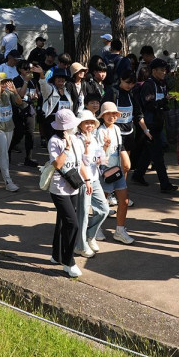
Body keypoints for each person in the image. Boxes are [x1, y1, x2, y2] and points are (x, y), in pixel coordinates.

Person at [47, 109, 87, 278]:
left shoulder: (77, 139)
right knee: (73, 224)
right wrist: (67, 149)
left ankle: (57, 255)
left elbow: (80, 163)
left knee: (63, 222)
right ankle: (69, 262)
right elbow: (57, 164)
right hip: (59, 188)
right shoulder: (54, 141)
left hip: (74, 185)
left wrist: (87, 180)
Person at [132, 58, 177, 193]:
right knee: (158, 155)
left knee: (149, 151)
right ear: (154, 71)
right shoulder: (149, 85)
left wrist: (165, 100)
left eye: (165, 70)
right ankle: (165, 184)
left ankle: (138, 175)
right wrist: (164, 101)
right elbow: (148, 104)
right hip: (150, 124)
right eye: (162, 70)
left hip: (157, 122)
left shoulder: (161, 84)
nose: (164, 72)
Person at [98, 102, 135, 244]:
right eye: (108, 114)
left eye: (114, 114)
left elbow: (120, 148)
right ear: (103, 116)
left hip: (117, 171)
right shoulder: (99, 131)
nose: (111, 116)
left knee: (124, 201)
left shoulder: (117, 130)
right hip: (105, 172)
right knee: (102, 203)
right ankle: (97, 228)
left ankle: (120, 230)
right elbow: (97, 155)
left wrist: (125, 161)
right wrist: (105, 146)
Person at [75, 110, 109, 257]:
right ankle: (80, 246)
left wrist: (105, 147)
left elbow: (102, 158)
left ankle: (90, 235)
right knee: (82, 214)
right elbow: (85, 162)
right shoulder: (77, 139)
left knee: (104, 209)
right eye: (86, 122)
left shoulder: (93, 138)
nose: (89, 125)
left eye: (91, 122)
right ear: (80, 124)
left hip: (95, 179)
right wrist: (88, 147)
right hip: (84, 181)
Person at [0, 76, 22, 192]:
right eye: (1, 82)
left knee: (2, 153)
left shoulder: (9, 93)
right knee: (4, 154)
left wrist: (15, 92)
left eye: (5, 82)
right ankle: (8, 181)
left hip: (9, 127)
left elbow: (19, 102)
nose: (4, 84)